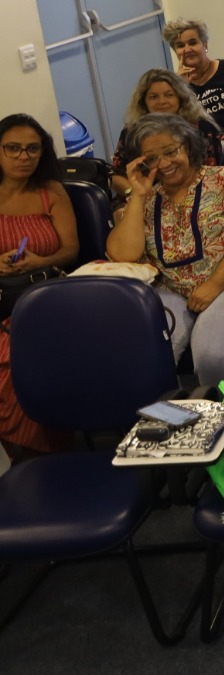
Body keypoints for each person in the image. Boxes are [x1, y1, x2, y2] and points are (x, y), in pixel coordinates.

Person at [106, 113, 224, 381]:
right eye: (152, 159)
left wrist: (213, 285)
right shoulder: (147, 200)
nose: (165, 164)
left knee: (211, 357)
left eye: (171, 151)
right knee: (144, 356)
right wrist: (137, 194)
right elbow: (123, 255)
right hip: (173, 290)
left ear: (188, 146)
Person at [0, 114, 79, 459]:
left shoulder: (51, 191)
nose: (23, 157)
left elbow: (71, 250)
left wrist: (40, 261)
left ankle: (38, 456)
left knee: (19, 360)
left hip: (44, 297)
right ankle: (19, 455)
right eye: (13, 149)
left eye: (33, 149)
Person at [111, 68, 224, 195]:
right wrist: (135, 194)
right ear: (144, 102)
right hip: (140, 195)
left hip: (195, 194)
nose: (162, 102)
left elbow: (211, 173)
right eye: (154, 97)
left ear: (180, 98)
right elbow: (116, 175)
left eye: (169, 95)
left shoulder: (203, 127)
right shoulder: (131, 132)